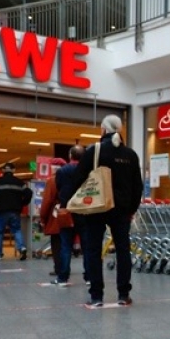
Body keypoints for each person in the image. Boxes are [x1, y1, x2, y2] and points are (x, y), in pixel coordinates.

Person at [69, 116, 142, 306]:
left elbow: (78, 179)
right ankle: (123, 294)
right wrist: (131, 209)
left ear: (103, 130)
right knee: (123, 250)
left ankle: (96, 296)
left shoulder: (94, 151)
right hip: (122, 210)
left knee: (93, 249)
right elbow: (137, 186)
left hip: (97, 207)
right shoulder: (130, 155)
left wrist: (72, 202)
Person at [55, 145, 87, 286]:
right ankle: (89, 277)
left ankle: (63, 277)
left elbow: (58, 187)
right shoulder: (87, 170)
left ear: (70, 155)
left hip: (66, 210)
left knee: (65, 245)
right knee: (87, 246)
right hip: (84, 210)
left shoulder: (62, 171)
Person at [0, 162, 32, 261]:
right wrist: (23, 203)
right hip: (15, 210)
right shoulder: (19, 182)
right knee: (16, 230)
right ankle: (22, 248)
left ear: (2, 171)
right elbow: (29, 193)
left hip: (1, 210)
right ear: (14, 171)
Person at [39, 157, 70, 282]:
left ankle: (59, 269)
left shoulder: (52, 181)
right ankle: (66, 268)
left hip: (56, 215)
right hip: (70, 213)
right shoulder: (71, 178)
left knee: (57, 243)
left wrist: (42, 217)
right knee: (66, 243)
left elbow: (47, 201)